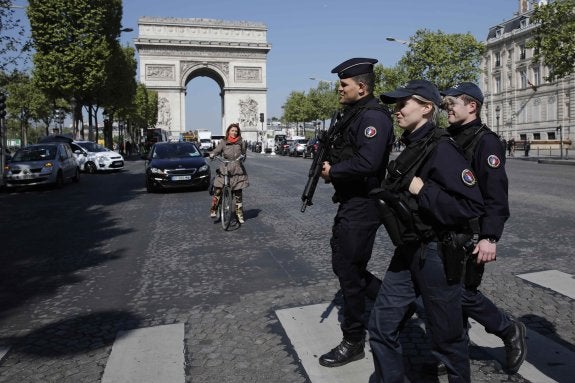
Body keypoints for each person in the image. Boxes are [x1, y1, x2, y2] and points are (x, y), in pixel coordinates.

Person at [368, 80, 484, 383]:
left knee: (448, 340)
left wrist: (423, 191)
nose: (396, 111)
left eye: (402, 104)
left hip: (436, 252)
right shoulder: (411, 146)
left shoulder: (442, 149)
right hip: (408, 249)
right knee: (380, 328)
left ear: (426, 108)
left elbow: (470, 206)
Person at [441, 82, 526, 373]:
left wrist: (489, 236)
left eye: (452, 104)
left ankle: (508, 329)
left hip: (472, 231)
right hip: (448, 227)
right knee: (451, 291)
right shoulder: (448, 137)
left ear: (472, 106)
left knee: (463, 293)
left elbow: (495, 192)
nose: (447, 109)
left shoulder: (486, 141)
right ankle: (457, 352)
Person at [318, 57, 394, 368]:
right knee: (344, 264)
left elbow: (369, 163)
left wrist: (334, 171)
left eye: (344, 84)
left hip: (364, 204)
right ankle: (396, 302)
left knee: (349, 272)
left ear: (361, 87)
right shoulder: (354, 115)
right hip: (351, 202)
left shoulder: (373, 117)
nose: (339, 88)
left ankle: (353, 340)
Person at [209, 123, 249, 223]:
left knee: (238, 194)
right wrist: (212, 154)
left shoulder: (241, 143)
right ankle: (214, 208)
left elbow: (244, 154)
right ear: (228, 131)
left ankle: (239, 213)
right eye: (232, 131)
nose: (234, 133)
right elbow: (217, 150)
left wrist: (243, 157)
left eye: (236, 131)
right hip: (225, 169)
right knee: (218, 190)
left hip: (237, 170)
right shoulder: (223, 142)